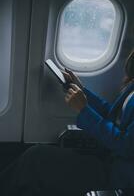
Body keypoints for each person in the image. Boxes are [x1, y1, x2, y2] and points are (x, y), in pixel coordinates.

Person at [0, 50, 134, 196]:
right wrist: (82, 91)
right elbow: (113, 114)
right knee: (35, 157)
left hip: (116, 175)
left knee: (35, 159)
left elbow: (127, 146)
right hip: (106, 159)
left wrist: (84, 110)